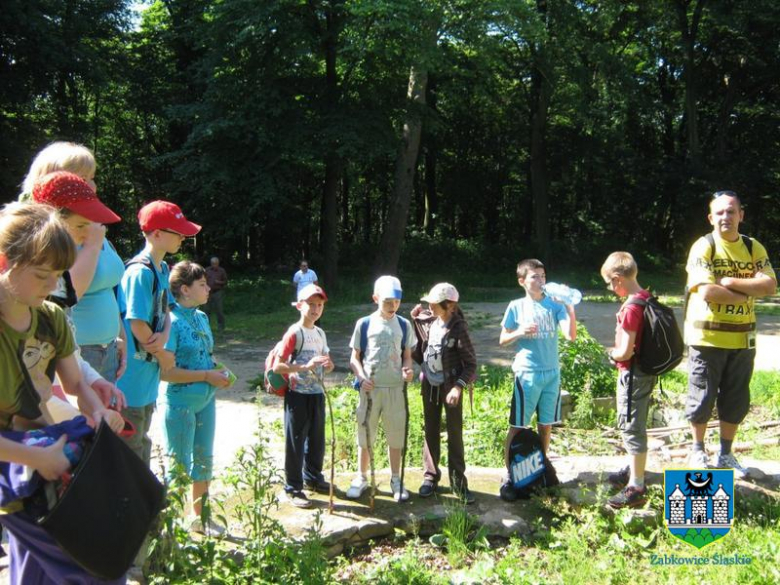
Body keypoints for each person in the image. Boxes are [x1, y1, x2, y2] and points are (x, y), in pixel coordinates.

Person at [0, 202, 124, 584]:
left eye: (57, 275)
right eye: (42, 275)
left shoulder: (51, 317)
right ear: (6, 261)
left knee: (33, 568)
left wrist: (97, 411)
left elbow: (76, 384)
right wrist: (34, 458)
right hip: (15, 463)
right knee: (95, 565)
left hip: (39, 452)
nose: (53, 286)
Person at [22, 141, 128, 390]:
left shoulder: (88, 226)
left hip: (104, 349)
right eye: (81, 178)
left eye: (92, 177)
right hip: (69, 350)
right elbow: (63, 297)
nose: (91, 185)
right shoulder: (49, 240)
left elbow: (110, 289)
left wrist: (118, 336)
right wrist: (91, 246)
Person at [684, 191, 776, 478]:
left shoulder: (753, 247)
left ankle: (726, 454)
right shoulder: (704, 246)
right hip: (707, 339)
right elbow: (707, 290)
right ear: (711, 218)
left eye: (731, 211)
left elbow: (770, 286)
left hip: (743, 339)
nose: (726, 217)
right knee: (701, 397)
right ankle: (697, 451)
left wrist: (730, 282)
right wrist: (748, 290)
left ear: (741, 215)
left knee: (736, 399)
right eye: (720, 213)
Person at [117, 200, 201, 464]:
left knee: (142, 440)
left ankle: (143, 501)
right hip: (130, 380)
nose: (182, 238)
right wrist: (163, 354)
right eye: (177, 232)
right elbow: (137, 323)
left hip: (147, 379)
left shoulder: (162, 269)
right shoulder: (139, 272)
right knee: (129, 445)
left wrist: (164, 336)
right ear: (156, 234)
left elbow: (165, 310)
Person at [160, 261, 231, 533]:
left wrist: (218, 371)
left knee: (203, 459)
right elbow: (166, 373)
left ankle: (200, 520)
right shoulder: (171, 322)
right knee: (178, 465)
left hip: (207, 400)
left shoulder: (201, 317)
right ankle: (172, 529)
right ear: (185, 289)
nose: (208, 288)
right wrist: (204, 376)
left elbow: (206, 356)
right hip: (180, 404)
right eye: (202, 285)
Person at [498, 259, 576, 501]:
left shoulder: (555, 305)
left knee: (546, 425)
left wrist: (570, 308)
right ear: (522, 281)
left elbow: (570, 336)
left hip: (552, 374)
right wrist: (520, 332)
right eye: (534, 277)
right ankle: (511, 474)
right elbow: (503, 339)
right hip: (527, 374)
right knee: (518, 425)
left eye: (543, 276)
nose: (541, 280)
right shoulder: (516, 306)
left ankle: (538, 469)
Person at [348, 276, 415, 502]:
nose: (392, 305)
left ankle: (396, 479)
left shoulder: (405, 325)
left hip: (396, 390)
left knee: (396, 435)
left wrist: (408, 370)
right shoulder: (364, 323)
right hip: (370, 389)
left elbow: (408, 357)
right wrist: (360, 375)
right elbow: (354, 358)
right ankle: (361, 477)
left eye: (396, 300)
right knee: (365, 434)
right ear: (375, 298)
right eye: (387, 301)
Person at [410, 283, 477, 504]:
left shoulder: (459, 328)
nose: (429, 305)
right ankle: (430, 477)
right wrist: (414, 322)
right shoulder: (430, 321)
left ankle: (458, 481)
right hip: (430, 385)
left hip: (450, 388)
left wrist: (457, 387)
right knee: (430, 430)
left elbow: (470, 364)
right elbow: (421, 352)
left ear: (449, 306)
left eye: (434, 303)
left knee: (454, 433)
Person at [600, 252, 655, 508]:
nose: (611, 289)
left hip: (632, 375)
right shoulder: (646, 297)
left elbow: (625, 350)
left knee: (631, 426)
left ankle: (636, 485)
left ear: (617, 279)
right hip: (645, 372)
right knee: (635, 421)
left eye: (610, 284)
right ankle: (633, 469)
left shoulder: (632, 307)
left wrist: (611, 353)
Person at [272, 283, 334, 508]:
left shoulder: (320, 333)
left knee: (317, 439)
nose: (316, 309)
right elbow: (278, 367)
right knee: (296, 440)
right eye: (311, 304)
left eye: (319, 305)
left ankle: (313, 478)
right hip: (297, 394)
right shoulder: (294, 333)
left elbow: (328, 364)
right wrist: (304, 367)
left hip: (317, 393)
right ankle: (293, 487)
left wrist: (327, 365)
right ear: (300, 306)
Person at [204, 256, 228, 332]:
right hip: (207, 293)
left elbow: (226, 282)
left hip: (217, 292)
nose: (214, 265)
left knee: (219, 310)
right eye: (213, 264)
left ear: (218, 263)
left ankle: (221, 327)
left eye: (216, 264)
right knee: (206, 310)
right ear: (211, 264)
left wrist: (219, 282)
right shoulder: (206, 270)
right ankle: (205, 327)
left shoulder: (222, 271)